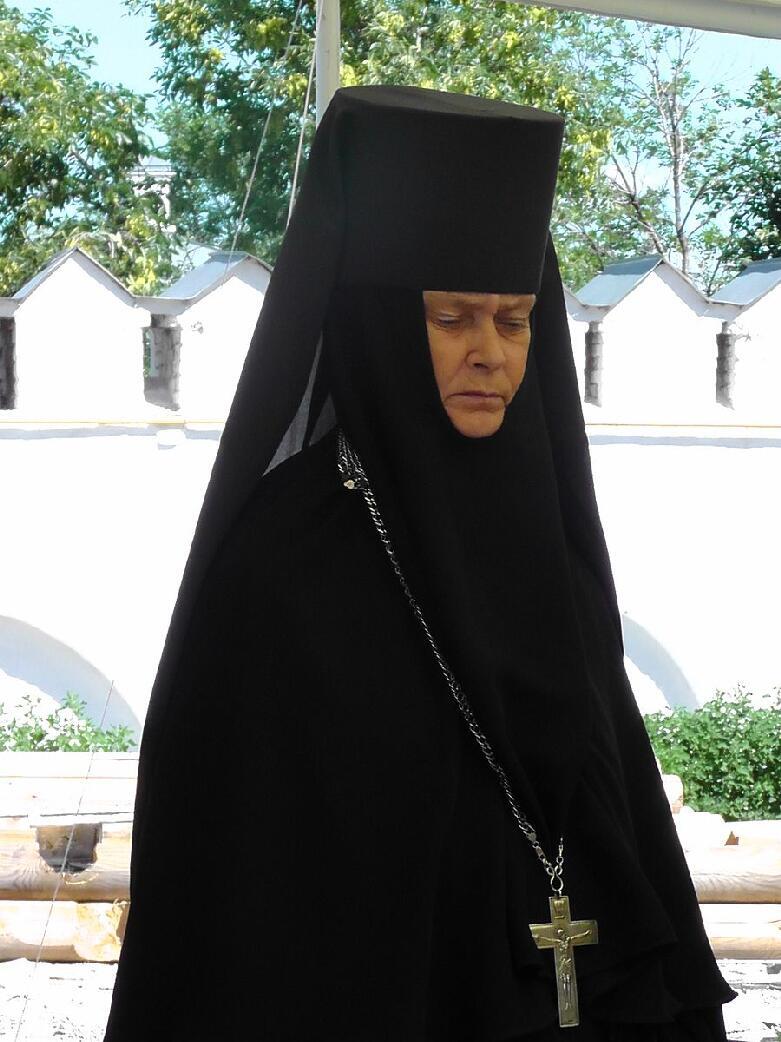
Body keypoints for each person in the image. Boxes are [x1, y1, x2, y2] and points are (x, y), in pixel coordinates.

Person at [104, 85, 737, 1042]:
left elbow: (610, 801)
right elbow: (239, 893)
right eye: (451, 319)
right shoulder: (279, 564)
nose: (489, 354)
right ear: (377, 325)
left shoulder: (542, 536)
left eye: (514, 321)